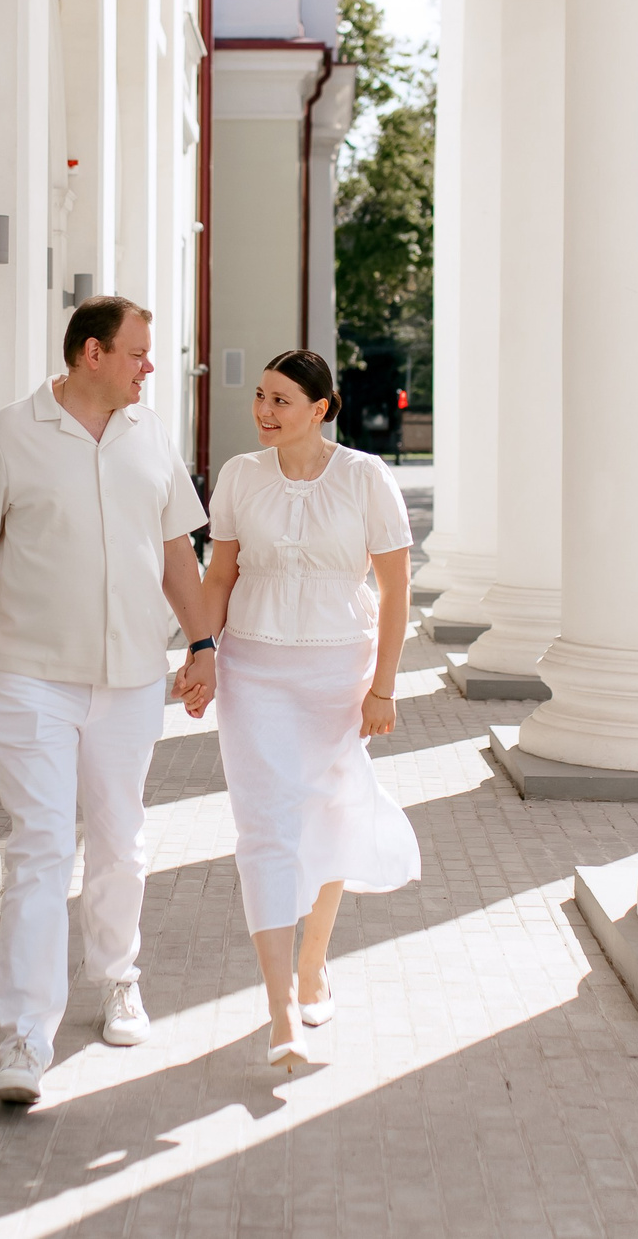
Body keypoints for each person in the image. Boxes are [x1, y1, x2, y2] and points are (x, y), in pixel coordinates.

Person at [0, 296, 213, 1105]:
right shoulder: (9, 435)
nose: (150, 365)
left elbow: (177, 558)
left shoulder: (150, 435)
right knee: (41, 848)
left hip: (129, 683)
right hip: (32, 680)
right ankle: (23, 1036)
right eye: (137, 353)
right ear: (92, 353)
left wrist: (203, 645)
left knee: (120, 842)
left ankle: (120, 978)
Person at [192, 348, 421, 1066]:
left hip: (337, 671)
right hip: (253, 667)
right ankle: (278, 1007)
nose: (264, 410)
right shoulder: (238, 475)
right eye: (260, 395)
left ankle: (313, 963)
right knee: (263, 827)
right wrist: (201, 651)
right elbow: (220, 571)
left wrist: (384, 686)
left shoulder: (364, 477)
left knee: (328, 812)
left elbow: (395, 587)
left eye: (282, 400)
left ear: (321, 409)